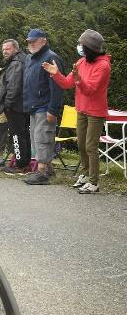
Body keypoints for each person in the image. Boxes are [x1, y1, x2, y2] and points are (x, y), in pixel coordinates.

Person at [42, 29, 111, 193]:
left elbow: (91, 90)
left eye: (81, 44)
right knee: (81, 144)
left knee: (90, 147)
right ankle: (86, 175)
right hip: (82, 109)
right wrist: (56, 74)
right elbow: (66, 83)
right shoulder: (81, 62)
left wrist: (79, 80)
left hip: (96, 111)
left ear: (89, 47)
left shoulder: (103, 66)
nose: (78, 46)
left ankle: (94, 182)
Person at [22, 28, 64, 185]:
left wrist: (53, 109)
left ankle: (42, 172)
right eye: (29, 41)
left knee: (42, 137)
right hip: (33, 105)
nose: (31, 43)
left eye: (34, 40)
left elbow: (57, 86)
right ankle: (49, 168)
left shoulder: (51, 57)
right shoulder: (30, 58)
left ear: (44, 40)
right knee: (35, 137)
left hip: (45, 106)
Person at [0, 39, 32, 175]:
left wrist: (7, 104)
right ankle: (25, 164)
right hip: (24, 104)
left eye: (8, 49)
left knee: (17, 136)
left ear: (15, 49)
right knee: (24, 134)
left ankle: (20, 165)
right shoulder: (24, 59)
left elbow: (14, 85)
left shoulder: (16, 63)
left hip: (15, 106)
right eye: (3, 49)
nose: (5, 51)